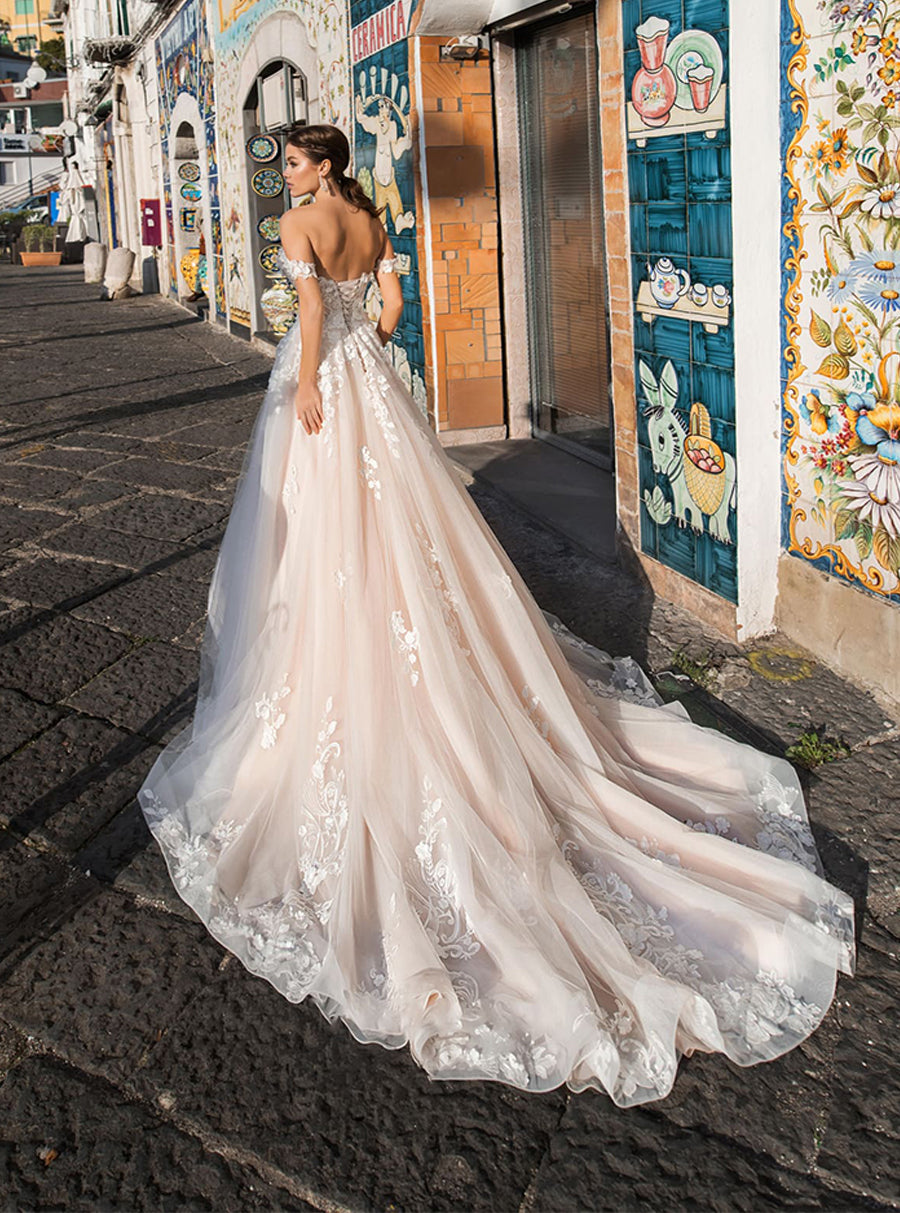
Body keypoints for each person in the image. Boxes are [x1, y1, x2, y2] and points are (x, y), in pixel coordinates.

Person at [137, 123, 855, 1108]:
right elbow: (389, 305)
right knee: (411, 543)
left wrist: (310, 381)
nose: (288, 175)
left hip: (323, 394)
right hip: (377, 396)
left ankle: (339, 680)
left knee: (319, 545)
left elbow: (311, 315)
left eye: (293, 162)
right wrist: (361, 348)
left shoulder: (301, 224)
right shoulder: (367, 216)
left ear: (315, 165)